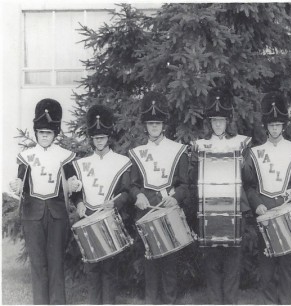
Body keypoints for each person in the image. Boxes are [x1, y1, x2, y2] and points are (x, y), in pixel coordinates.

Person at [242, 91, 291, 305]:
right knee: (266, 266)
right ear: (266, 127)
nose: (274, 128)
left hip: (286, 212)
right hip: (265, 214)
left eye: (278, 125)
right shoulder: (254, 153)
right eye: (271, 125)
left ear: (284, 126)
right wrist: (257, 205)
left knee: (286, 266)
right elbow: (249, 186)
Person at [9, 98, 76, 304]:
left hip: (57, 216)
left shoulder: (65, 155)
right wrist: (17, 184)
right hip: (32, 215)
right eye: (41, 133)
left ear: (55, 134)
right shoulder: (26, 156)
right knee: (38, 264)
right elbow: (20, 177)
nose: (45, 136)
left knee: (56, 263)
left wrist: (75, 184)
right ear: (36, 133)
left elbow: (72, 177)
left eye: (49, 133)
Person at [190, 86, 251, 304]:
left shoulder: (241, 144)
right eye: (214, 120)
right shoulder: (199, 146)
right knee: (212, 260)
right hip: (209, 208)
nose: (218, 124)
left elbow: (250, 178)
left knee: (233, 259)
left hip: (234, 208)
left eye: (222, 120)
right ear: (209, 122)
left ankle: (231, 301)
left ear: (228, 122)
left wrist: (244, 166)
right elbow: (192, 177)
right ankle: (215, 301)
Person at [128, 91, 189, 304]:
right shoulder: (137, 152)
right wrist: (138, 196)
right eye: (151, 123)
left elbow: (185, 185)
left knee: (170, 265)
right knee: (150, 263)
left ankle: (170, 301)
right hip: (146, 213)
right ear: (145, 126)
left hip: (169, 211)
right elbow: (132, 185)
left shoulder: (178, 150)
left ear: (164, 125)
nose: (154, 127)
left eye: (158, 123)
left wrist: (177, 198)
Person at [68, 104, 132, 304]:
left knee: (110, 269)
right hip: (88, 219)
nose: (99, 141)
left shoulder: (122, 161)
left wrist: (115, 204)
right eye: (96, 138)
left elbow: (128, 191)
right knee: (92, 268)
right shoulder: (81, 164)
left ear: (108, 137)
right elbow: (76, 192)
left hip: (110, 218)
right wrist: (78, 203)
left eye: (102, 137)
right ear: (91, 139)